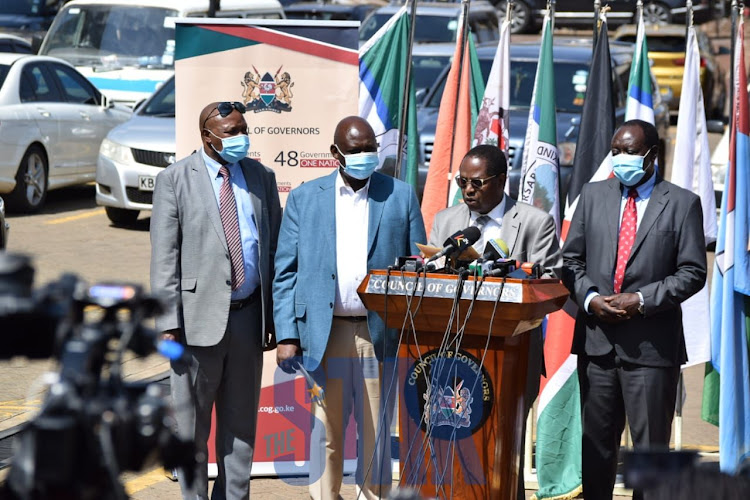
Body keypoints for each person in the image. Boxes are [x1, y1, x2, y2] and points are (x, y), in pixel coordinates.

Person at [273, 116, 426, 500]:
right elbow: (285, 272)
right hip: (325, 334)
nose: (365, 156)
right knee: (326, 429)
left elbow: (419, 267)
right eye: (355, 150)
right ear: (335, 154)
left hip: (379, 333)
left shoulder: (400, 194)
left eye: (370, 148)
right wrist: (288, 334)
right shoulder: (305, 198)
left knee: (376, 430)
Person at [562, 119, 707, 500]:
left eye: (628, 152)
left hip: (651, 349)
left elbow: (693, 272)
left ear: (652, 155)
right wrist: (591, 298)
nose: (620, 159)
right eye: (615, 151)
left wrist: (641, 300)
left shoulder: (681, 203)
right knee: (596, 451)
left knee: (650, 456)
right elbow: (570, 262)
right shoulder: (592, 196)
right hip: (598, 347)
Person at [150, 101, 281, 500]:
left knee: (241, 425)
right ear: (207, 136)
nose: (241, 138)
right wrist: (168, 325)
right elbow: (164, 256)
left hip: (248, 317)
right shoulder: (174, 179)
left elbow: (272, 249)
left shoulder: (261, 176)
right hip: (194, 322)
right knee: (191, 428)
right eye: (231, 132)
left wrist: (273, 316)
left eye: (244, 129)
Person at [427, 143, 561, 498]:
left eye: (478, 182)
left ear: (501, 180)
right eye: (462, 182)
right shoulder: (446, 221)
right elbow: (429, 281)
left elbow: (551, 285)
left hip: (512, 355)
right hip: (452, 351)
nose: (468, 190)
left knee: (504, 444)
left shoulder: (535, 222)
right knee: (453, 438)